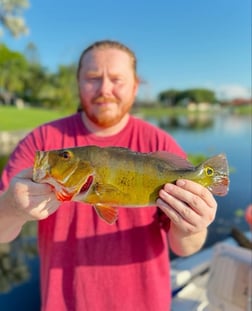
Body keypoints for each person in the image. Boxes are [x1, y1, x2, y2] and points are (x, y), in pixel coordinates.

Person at [0, 40, 217, 311]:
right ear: (78, 83)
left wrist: (193, 226)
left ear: (135, 86)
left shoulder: (160, 143)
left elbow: (186, 248)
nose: (104, 89)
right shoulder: (42, 141)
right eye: (92, 78)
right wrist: (11, 206)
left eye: (117, 79)